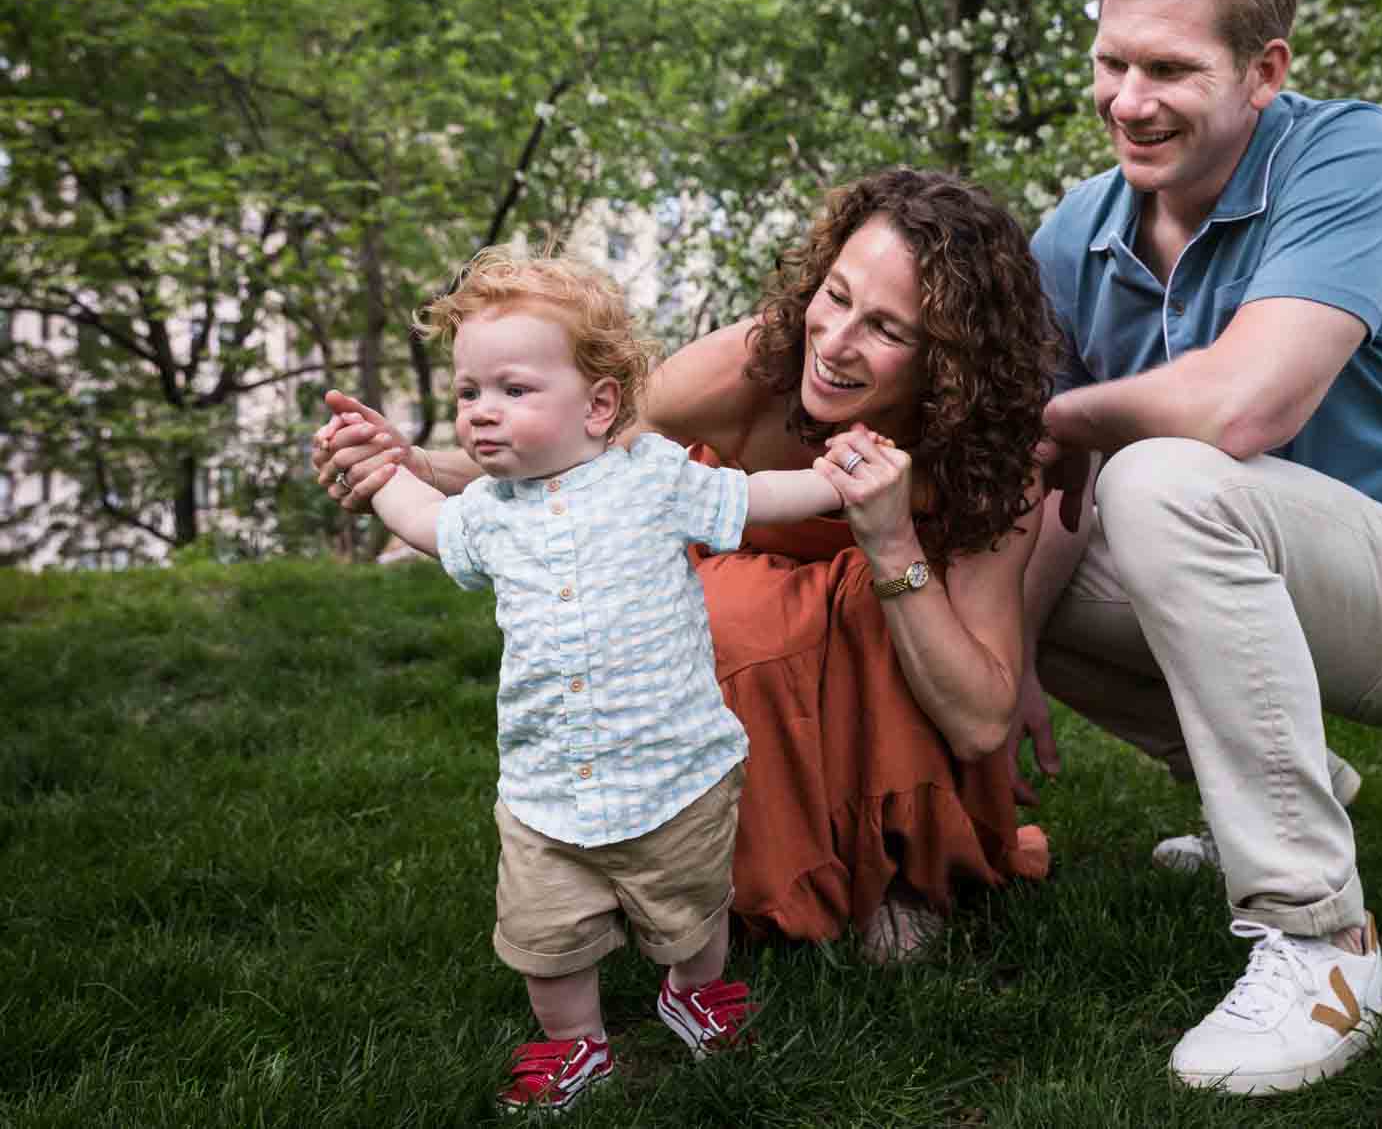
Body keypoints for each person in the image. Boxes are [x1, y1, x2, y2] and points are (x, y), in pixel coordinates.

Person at [1010, 0, 1382, 1097]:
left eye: (1169, 69)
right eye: (1111, 63)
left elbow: (1245, 409)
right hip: (1239, 560)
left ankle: (1322, 947)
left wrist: (1066, 415)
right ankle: (1274, 801)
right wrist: (1012, 657)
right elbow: (1029, 491)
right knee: (1002, 562)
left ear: (1262, 71)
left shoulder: (1348, 153)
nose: (1128, 99)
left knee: (1162, 474)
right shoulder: (1075, 231)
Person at [316, 168, 1057, 970]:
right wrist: (417, 466)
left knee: (859, 608)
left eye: (887, 329)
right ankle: (715, 878)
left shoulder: (991, 464)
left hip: (888, 634)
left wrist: (893, 547)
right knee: (740, 615)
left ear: (946, 361)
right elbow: (580, 454)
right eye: (836, 296)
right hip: (734, 610)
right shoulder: (754, 363)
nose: (836, 342)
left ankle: (898, 873)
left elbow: (983, 718)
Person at [343, 248, 850, 1113]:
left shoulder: (652, 479)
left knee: (694, 909)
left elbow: (748, 496)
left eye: (512, 390)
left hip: (676, 773)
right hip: (549, 792)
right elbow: (425, 520)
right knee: (550, 939)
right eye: (469, 393)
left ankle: (695, 989)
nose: (481, 414)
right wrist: (381, 469)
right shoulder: (489, 515)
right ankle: (577, 1044)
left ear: (599, 404)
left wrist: (829, 480)